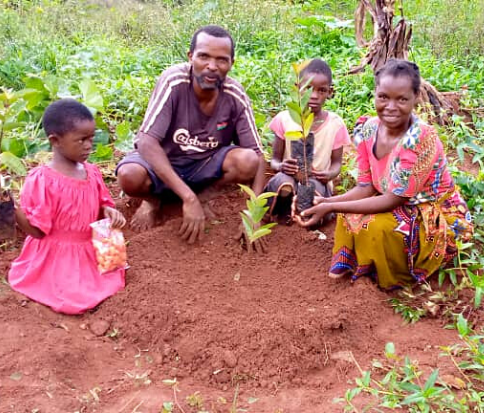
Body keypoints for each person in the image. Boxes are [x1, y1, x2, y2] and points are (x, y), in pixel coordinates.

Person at [295, 59, 473, 289]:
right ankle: (359, 267)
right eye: (383, 97)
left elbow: (394, 199)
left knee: (376, 227)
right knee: (348, 217)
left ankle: (389, 277)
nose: (391, 107)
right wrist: (327, 201)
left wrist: (331, 206)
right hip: (392, 200)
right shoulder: (368, 129)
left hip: (428, 210)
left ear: (415, 98)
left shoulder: (420, 138)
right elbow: (365, 186)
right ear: (375, 94)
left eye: (401, 99)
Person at [116, 25, 266, 244]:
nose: (212, 67)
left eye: (221, 60)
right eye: (203, 56)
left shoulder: (235, 95)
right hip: (165, 161)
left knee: (247, 161)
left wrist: (255, 213)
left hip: (204, 166)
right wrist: (188, 197)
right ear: (190, 57)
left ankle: (206, 196)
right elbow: (147, 141)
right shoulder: (174, 82)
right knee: (129, 175)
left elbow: (258, 156)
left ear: (231, 64)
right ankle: (152, 201)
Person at [8, 99, 126, 314]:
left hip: (89, 247)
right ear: (55, 140)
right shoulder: (43, 180)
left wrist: (110, 211)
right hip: (57, 256)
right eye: (81, 140)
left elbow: (101, 204)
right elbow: (37, 231)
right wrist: (12, 209)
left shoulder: (92, 172)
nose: (89, 145)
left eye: (91, 138)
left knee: (109, 280)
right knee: (72, 299)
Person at [265, 59, 350, 223]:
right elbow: (274, 160)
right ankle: (283, 211)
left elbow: (337, 164)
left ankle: (303, 215)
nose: (314, 96)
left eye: (322, 90)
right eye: (308, 89)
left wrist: (329, 174)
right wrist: (281, 166)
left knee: (311, 192)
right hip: (288, 178)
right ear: (298, 88)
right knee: (283, 183)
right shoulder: (284, 119)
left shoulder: (335, 124)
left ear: (330, 92)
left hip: (316, 181)